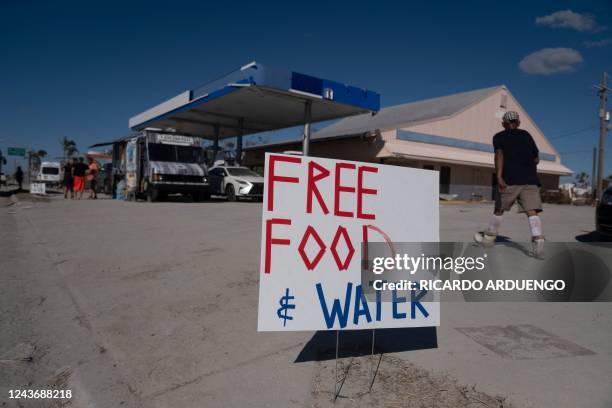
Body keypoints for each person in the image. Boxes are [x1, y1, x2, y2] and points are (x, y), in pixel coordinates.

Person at [474, 111, 545, 257]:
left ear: (503, 124)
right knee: (532, 211)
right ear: (518, 123)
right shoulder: (526, 135)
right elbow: (536, 159)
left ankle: (489, 239)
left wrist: (499, 176)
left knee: (499, 209)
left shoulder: (499, 136)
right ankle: (537, 238)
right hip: (530, 179)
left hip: (510, 179)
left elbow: (499, 155)